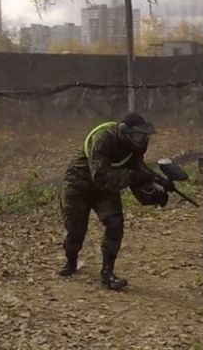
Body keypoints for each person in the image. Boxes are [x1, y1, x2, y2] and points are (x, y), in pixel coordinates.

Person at [58, 112, 170, 291]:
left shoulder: (136, 145)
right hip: (78, 185)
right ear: (125, 132)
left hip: (105, 190)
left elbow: (137, 166)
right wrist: (135, 177)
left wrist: (157, 182)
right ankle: (71, 261)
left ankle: (107, 273)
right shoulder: (103, 139)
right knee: (75, 230)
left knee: (115, 223)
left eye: (143, 135)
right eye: (138, 135)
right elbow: (101, 176)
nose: (141, 139)